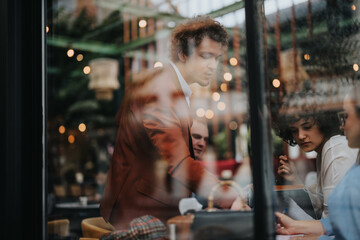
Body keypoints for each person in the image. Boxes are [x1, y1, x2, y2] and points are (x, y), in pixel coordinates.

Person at [100, 16, 244, 230]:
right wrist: (224, 195)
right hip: (138, 214)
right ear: (183, 53)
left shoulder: (171, 86)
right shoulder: (161, 88)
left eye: (217, 58)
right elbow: (177, 161)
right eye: (206, 56)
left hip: (156, 206)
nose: (213, 66)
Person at [275, 92, 360, 239]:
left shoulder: (334, 148)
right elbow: (326, 211)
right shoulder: (324, 151)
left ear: (322, 122)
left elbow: (335, 223)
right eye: (294, 130)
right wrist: (295, 180)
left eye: (307, 126)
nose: (300, 136)